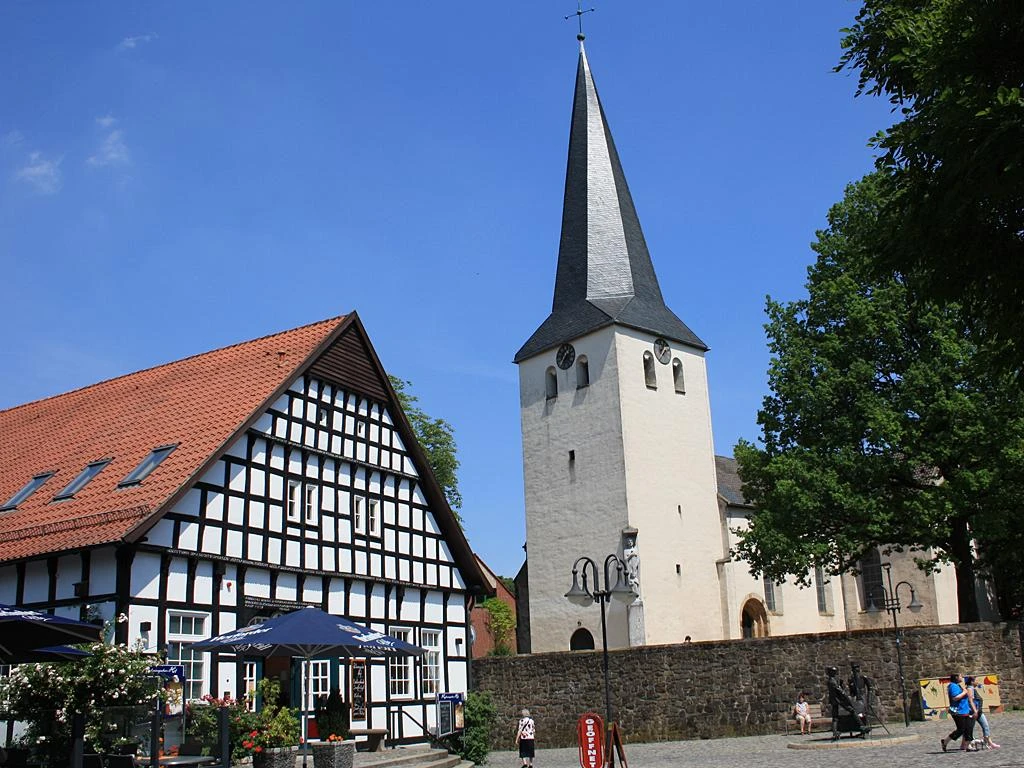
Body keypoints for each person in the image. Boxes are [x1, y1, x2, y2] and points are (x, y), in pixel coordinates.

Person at [941, 672, 978, 752]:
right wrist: (965, 692)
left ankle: (968, 746)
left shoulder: (958, 685)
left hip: (965, 710)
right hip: (958, 711)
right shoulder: (953, 686)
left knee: (968, 728)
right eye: (961, 676)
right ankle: (945, 741)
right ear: (956, 677)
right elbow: (955, 698)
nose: (962, 677)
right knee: (961, 729)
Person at [965, 675, 1000, 750]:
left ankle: (989, 742)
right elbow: (971, 701)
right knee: (970, 729)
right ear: (972, 682)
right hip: (974, 712)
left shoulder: (972, 688)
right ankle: (966, 744)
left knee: (985, 726)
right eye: (976, 680)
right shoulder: (970, 689)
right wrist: (975, 711)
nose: (977, 682)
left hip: (979, 711)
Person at [827, 666, 858, 741]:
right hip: (838, 700)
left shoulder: (830, 680)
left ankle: (835, 732)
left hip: (834, 700)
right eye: (834, 672)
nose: (835, 673)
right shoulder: (832, 681)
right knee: (852, 710)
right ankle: (861, 725)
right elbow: (839, 690)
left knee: (835, 717)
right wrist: (846, 696)